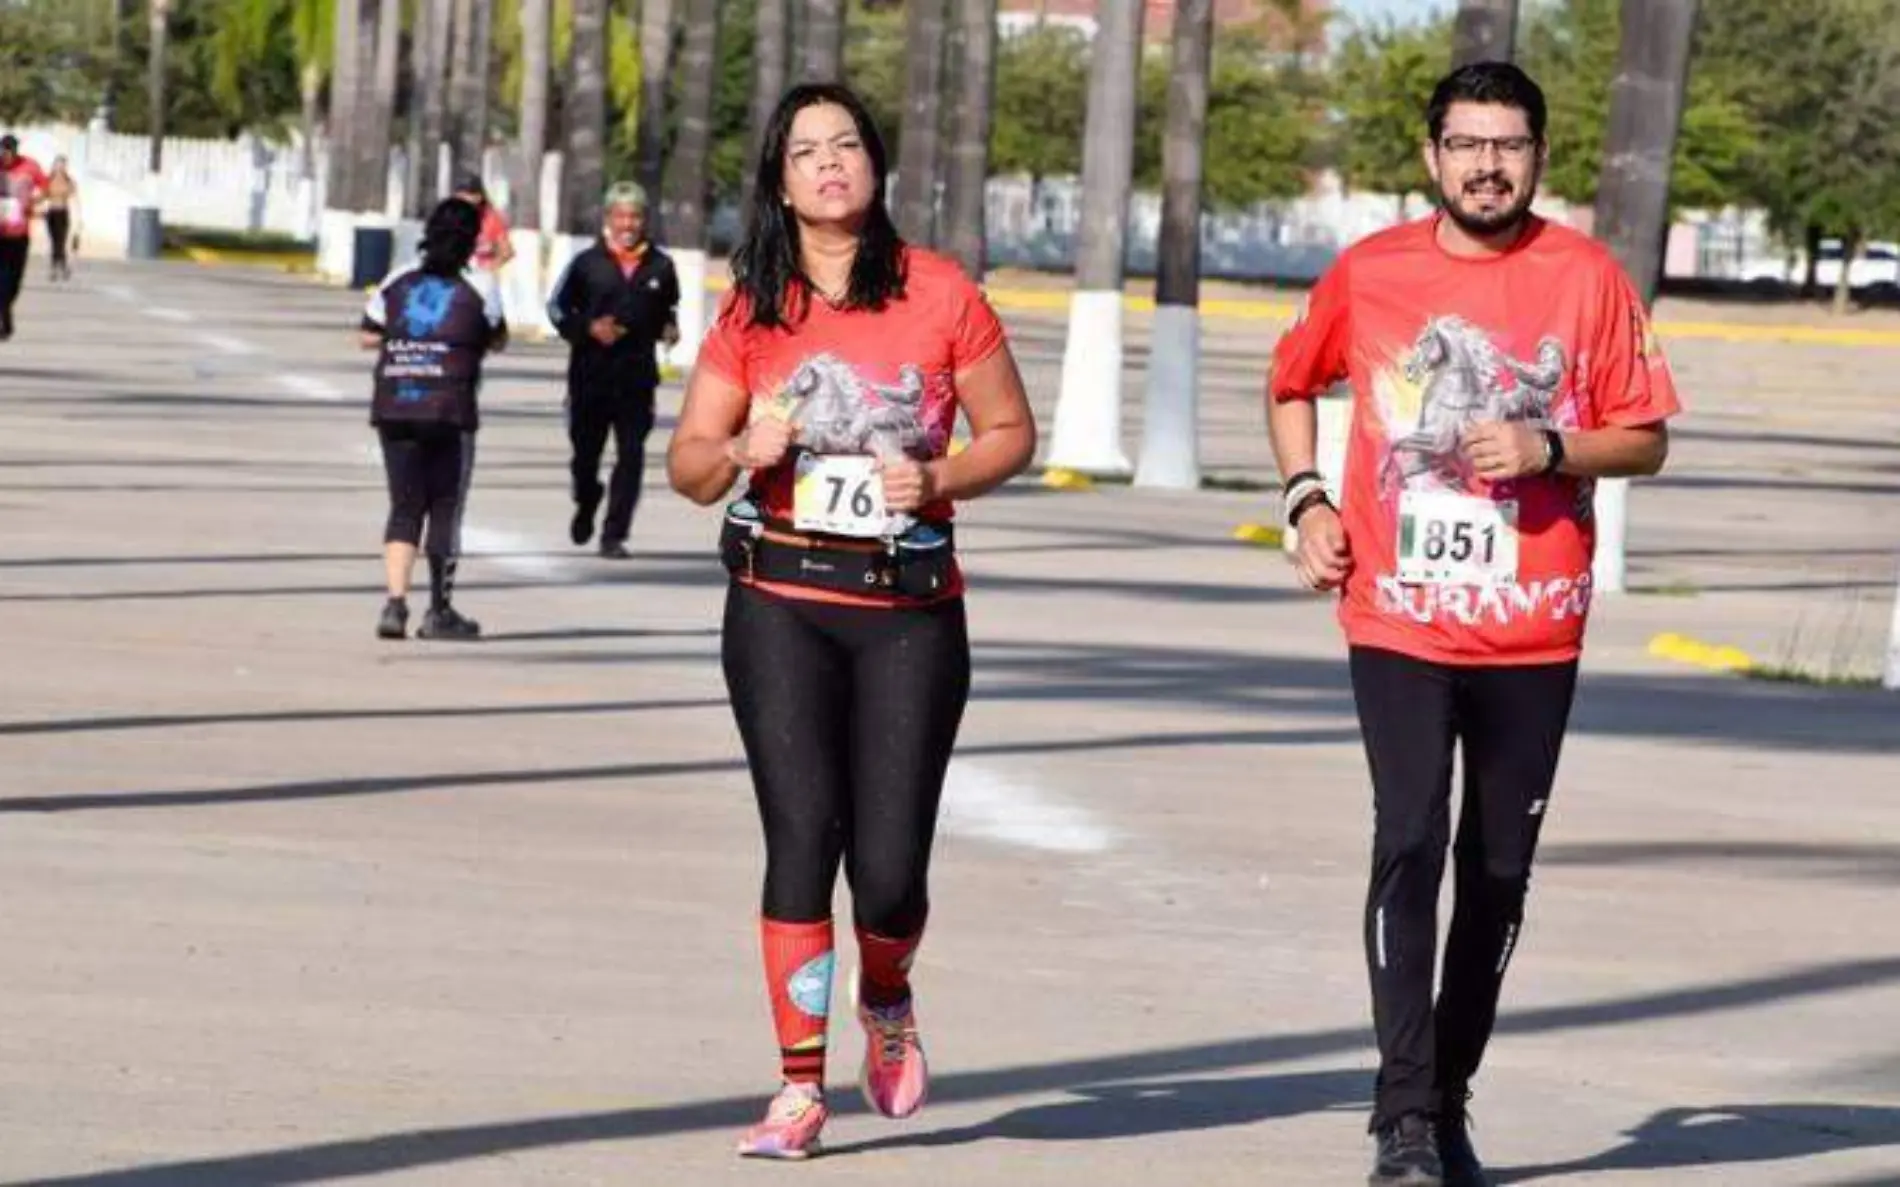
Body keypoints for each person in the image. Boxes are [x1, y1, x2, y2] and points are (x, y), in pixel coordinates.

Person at [1267, 62, 1682, 1187]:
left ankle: (1445, 1098)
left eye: (1507, 144)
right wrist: (1305, 499)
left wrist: (1551, 448)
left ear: (1537, 157)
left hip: (1534, 627)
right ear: (1431, 155)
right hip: (1396, 617)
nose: (1486, 164)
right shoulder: (1370, 271)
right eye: (1466, 143)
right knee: (1407, 835)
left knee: (1496, 868)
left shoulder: (1587, 278)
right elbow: (1289, 381)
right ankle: (1401, 1114)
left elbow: (1644, 436)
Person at [668, 82, 1035, 1161]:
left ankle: (887, 989)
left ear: (875, 166)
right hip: (778, 601)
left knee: (888, 869)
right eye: (804, 152)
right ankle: (795, 1087)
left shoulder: (938, 292)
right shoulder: (752, 311)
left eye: (846, 147)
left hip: (909, 612)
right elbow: (687, 465)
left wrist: (940, 472)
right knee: (799, 840)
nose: (828, 165)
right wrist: (740, 454)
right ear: (779, 182)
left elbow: (1010, 429)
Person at [360, 197, 508, 641]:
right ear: (472, 240)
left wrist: (405, 344)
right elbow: (496, 338)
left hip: (395, 407)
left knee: (405, 507)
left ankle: (395, 605)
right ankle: (439, 610)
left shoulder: (398, 279)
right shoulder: (481, 285)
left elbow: (367, 335)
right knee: (445, 507)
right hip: (449, 412)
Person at [546, 182, 680, 558]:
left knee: (632, 455)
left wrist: (669, 330)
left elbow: (666, 312)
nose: (628, 223)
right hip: (590, 377)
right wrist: (587, 328)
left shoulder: (662, 267)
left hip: (636, 380)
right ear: (608, 219)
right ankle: (588, 499)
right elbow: (557, 309)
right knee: (584, 459)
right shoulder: (586, 264)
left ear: (644, 220)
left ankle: (614, 534)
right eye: (620, 216)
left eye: (635, 216)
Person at [0, 135, 48, 340]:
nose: (6, 155)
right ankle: (5, 316)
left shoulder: (30, 166)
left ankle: (5, 311)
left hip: (20, 234)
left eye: (10, 151)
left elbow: (46, 187)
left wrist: (33, 203)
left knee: (15, 281)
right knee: (2, 279)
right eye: (3, 151)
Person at [452, 173, 515, 273]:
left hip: (479, 275)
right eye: (459, 197)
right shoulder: (450, 217)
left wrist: (489, 267)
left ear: (478, 197)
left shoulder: (491, 218)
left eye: (466, 196)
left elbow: (507, 252)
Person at [40, 156, 78, 282]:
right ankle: (59, 268)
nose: (60, 167)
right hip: (51, 212)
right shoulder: (48, 180)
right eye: (58, 165)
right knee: (54, 241)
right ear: (54, 166)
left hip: (63, 212)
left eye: (63, 165)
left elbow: (74, 195)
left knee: (61, 241)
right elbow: (43, 195)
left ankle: (58, 268)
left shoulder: (69, 181)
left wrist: (79, 217)